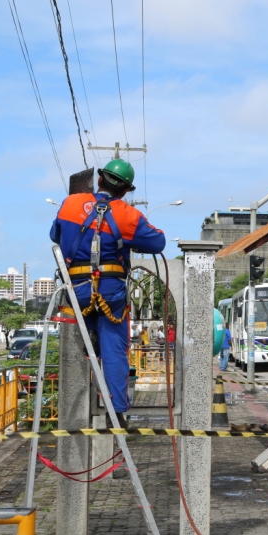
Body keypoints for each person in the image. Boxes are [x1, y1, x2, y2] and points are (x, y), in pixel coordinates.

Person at [49, 158, 166, 427]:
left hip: (76, 289)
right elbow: (157, 241)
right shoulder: (128, 215)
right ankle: (117, 411)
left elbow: (55, 234)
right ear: (125, 190)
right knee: (115, 348)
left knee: (88, 341)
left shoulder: (70, 204)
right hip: (110, 290)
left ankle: (78, 398)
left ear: (100, 179)